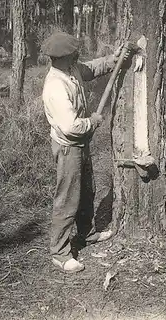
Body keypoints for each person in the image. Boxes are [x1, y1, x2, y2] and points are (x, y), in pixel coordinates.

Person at [42, 31, 131, 274]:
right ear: (60, 58)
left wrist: (114, 60)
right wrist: (92, 121)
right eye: (73, 54)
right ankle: (60, 253)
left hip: (81, 143)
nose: (77, 56)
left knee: (86, 191)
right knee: (68, 198)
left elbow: (90, 69)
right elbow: (71, 127)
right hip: (68, 146)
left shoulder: (72, 69)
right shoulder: (55, 87)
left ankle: (86, 234)